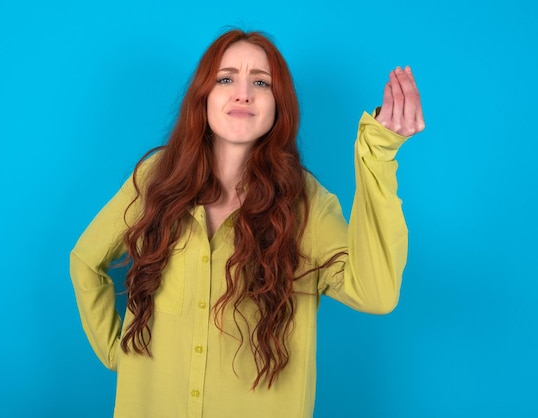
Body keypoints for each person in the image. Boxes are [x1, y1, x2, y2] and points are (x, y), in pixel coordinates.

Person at [69, 29, 424, 418]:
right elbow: (86, 260)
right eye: (226, 79)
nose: (243, 92)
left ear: (278, 106)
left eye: (260, 82)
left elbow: (376, 293)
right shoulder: (157, 178)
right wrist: (118, 352)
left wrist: (379, 155)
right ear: (203, 98)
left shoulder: (306, 205)